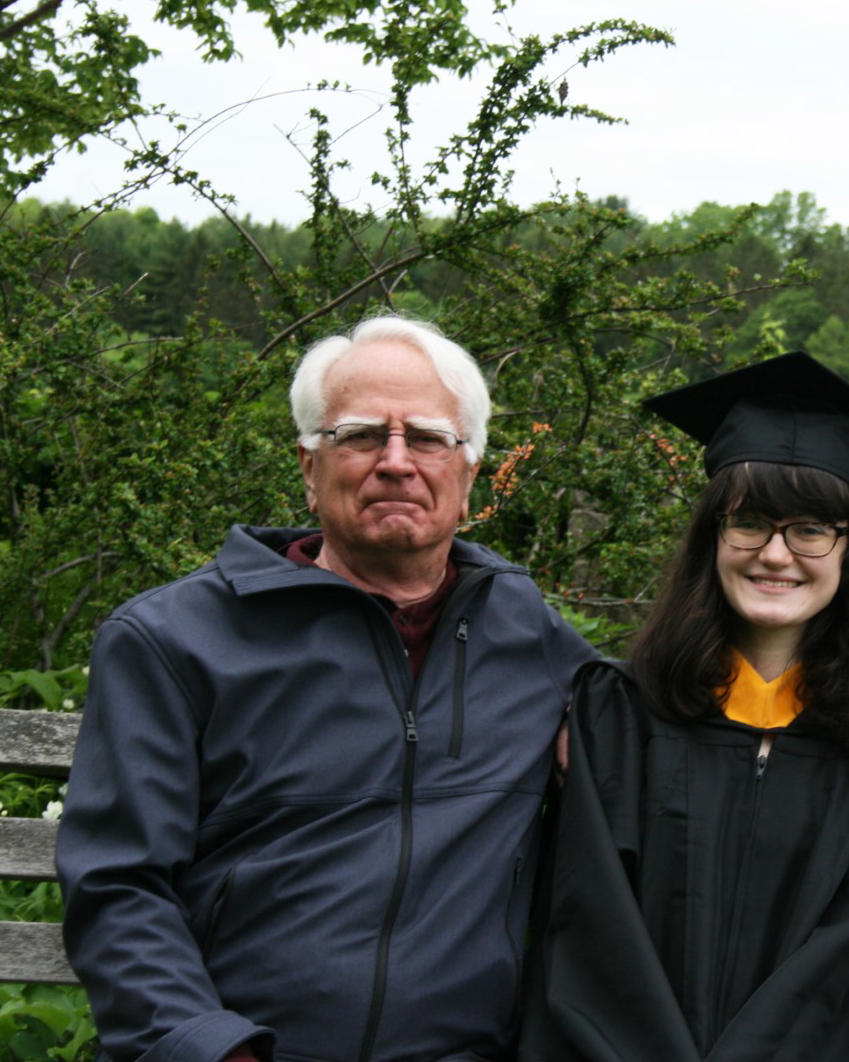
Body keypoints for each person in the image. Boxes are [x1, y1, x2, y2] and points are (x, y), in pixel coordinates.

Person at [56, 315, 597, 1062]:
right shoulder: (174, 640)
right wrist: (212, 1049)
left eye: (429, 439)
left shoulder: (531, 638)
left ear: (469, 476)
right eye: (363, 435)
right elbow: (118, 885)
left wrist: (598, 735)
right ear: (310, 469)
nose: (397, 462)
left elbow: (676, 721)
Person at [519, 353, 849, 1062]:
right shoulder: (615, 714)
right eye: (750, 522)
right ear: (713, 533)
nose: (776, 553)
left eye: (812, 528)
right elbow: (589, 928)